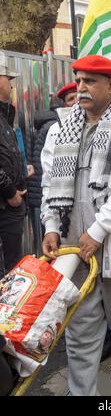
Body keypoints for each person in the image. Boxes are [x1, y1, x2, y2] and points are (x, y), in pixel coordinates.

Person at [41, 55, 111, 396]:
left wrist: (98, 231)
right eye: (79, 80)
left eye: (91, 81)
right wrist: (50, 226)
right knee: (79, 334)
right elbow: (49, 184)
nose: (82, 87)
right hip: (75, 254)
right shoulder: (60, 129)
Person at [27, 83, 77, 254]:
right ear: (64, 104)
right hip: (58, 210)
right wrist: (51, 224)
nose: (76, 101)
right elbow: (45, 172)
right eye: (71, 99)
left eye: (78, 96)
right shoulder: (53, 130)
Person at [0, 58, 27, 273]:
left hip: (11, 207)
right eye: (9, 80)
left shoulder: (5, 114)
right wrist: (9, 191)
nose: (12, 85)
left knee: (13, 268)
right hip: (6, 203)